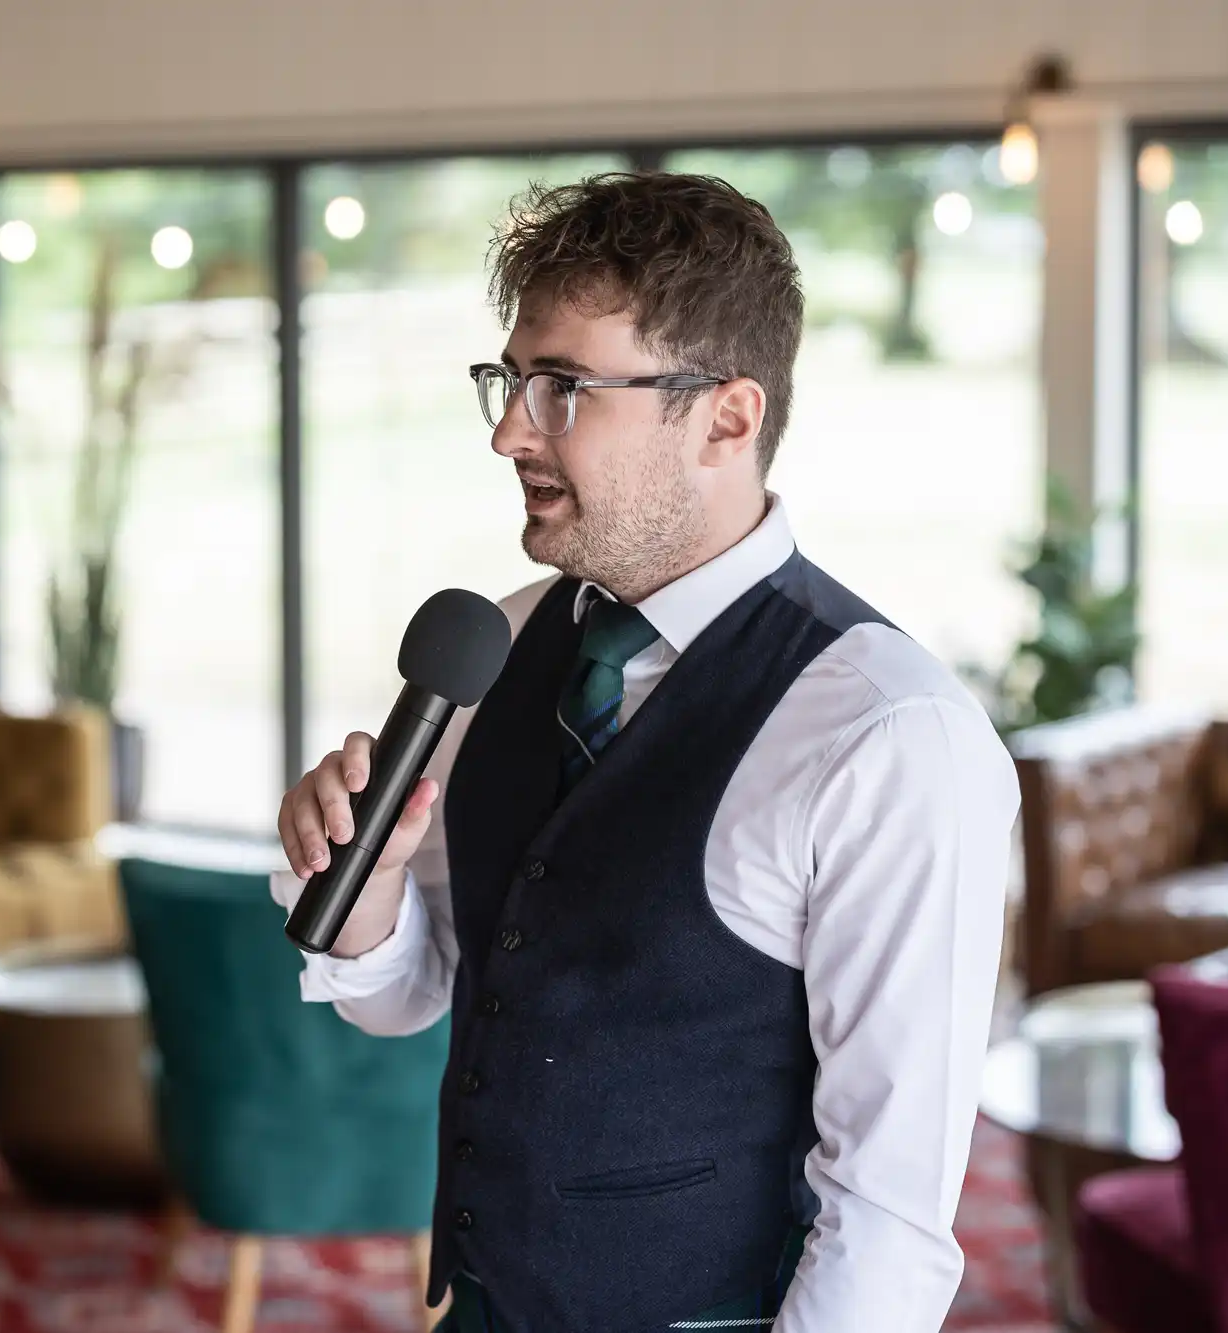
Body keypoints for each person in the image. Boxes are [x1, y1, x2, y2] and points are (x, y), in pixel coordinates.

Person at [271, 172, 1019, 1333]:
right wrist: (365, 897)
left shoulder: (887, 734)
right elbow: (423, 992)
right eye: (510, 380)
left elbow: (887, 1214)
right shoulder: (506, 640)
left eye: (564, 387)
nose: (508, 429)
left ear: (725, 417)